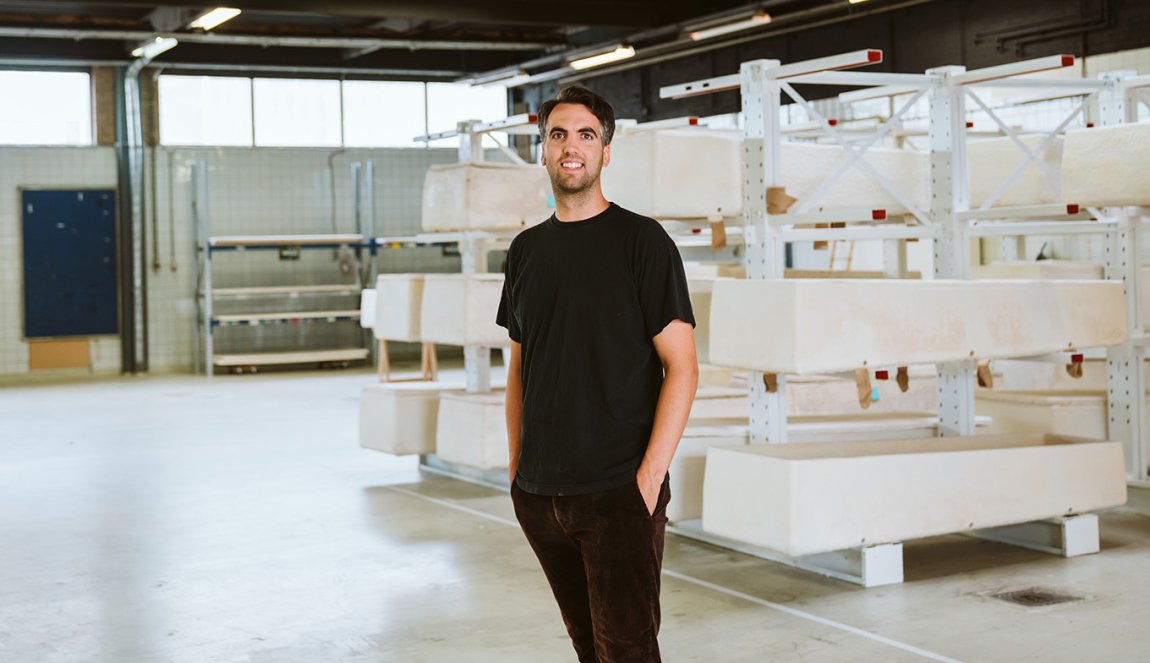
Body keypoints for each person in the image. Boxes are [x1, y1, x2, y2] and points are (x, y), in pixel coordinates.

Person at [496, 85, 698, 663]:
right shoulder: (526, 251)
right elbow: (519, 367)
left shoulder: (643, 242)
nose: (570, 147)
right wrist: (517, 470)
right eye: (557, 134)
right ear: (542, 150)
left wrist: (647, 480)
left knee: (628, 650)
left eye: (586, 134)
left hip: (617, 492)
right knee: (589, 650)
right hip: (540, 493)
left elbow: (682, 367)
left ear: (606, 151)